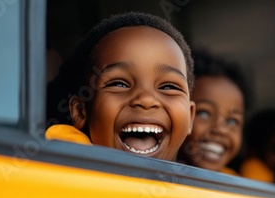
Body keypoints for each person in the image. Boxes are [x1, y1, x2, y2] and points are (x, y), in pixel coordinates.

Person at [45, 12, 196, 161]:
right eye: (119, 84)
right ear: (80, 111)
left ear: (190, 118)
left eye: (168, 87)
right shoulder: (60, 173)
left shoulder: (204, 183)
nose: (146, 99)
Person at [177, 51, 247, 175]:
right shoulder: (158, 176)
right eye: (203, 113)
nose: (220, 129)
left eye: (231, 121)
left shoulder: (235, 185)